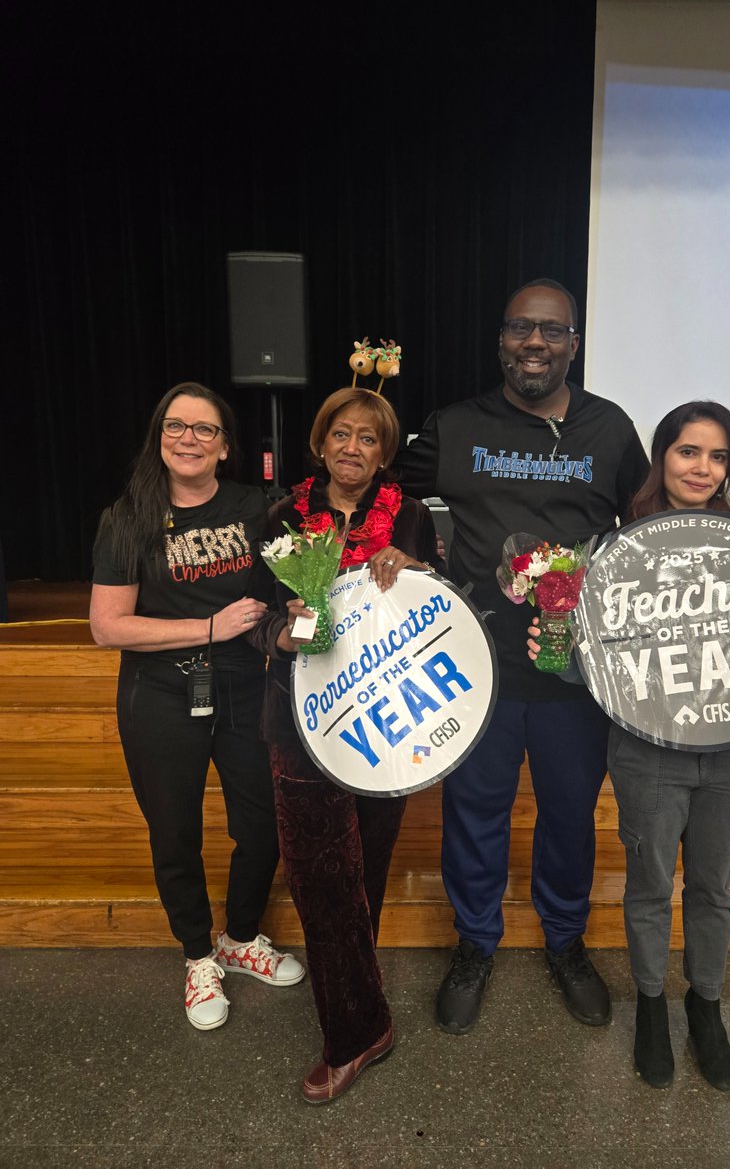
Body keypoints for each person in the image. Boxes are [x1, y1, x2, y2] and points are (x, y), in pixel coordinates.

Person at [528, 399, 730, 1091]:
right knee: (651, 884)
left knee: (714, 887)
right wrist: (554, 645)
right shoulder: (616, 549)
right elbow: (587, 667)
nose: (703, 467)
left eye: (719, 456)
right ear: (662, 455)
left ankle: (707, 1005)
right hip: (648, 749)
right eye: (689, 451)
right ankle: (653, 1007)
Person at [397, 279, 650, 1034]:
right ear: (500, 340)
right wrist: (401, 558)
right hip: (476, 668)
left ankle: (565, 943)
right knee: (474, 813)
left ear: (574, 344)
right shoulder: (455, 426)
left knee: (570, 816)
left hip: (577, 675)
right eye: (519, 329)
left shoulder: (610, 429)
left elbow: (655, 524)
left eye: (550, 331)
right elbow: (373, 489)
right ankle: (475, 944)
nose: (533, 343)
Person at [90, 382, 304, 1031]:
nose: (189, 438)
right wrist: (211, 627)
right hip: (158, 696)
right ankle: (197, 955)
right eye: (175, 427)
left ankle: (241, 939)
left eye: (204, 430)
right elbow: (109, 627)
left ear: (224, 447)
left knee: (262, 824)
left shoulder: (254, 508)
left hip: (242, 690)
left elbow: (283, 590)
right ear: (159, 439)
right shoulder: (127, 518)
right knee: (175, 834)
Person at [248, 387, 441, 1104]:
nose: (352, 448)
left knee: (365, 873)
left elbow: (435, 607)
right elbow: (256, 625)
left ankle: (359, 1012)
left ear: (385, 453)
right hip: (300, 722)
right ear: (320, 442)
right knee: (318, 877)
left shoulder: (413, 518)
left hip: (385, 719)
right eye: (341, 434)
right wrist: (292, 625)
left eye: (368, 438)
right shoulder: (281, 519)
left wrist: (417, 573)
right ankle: (354, 1033)